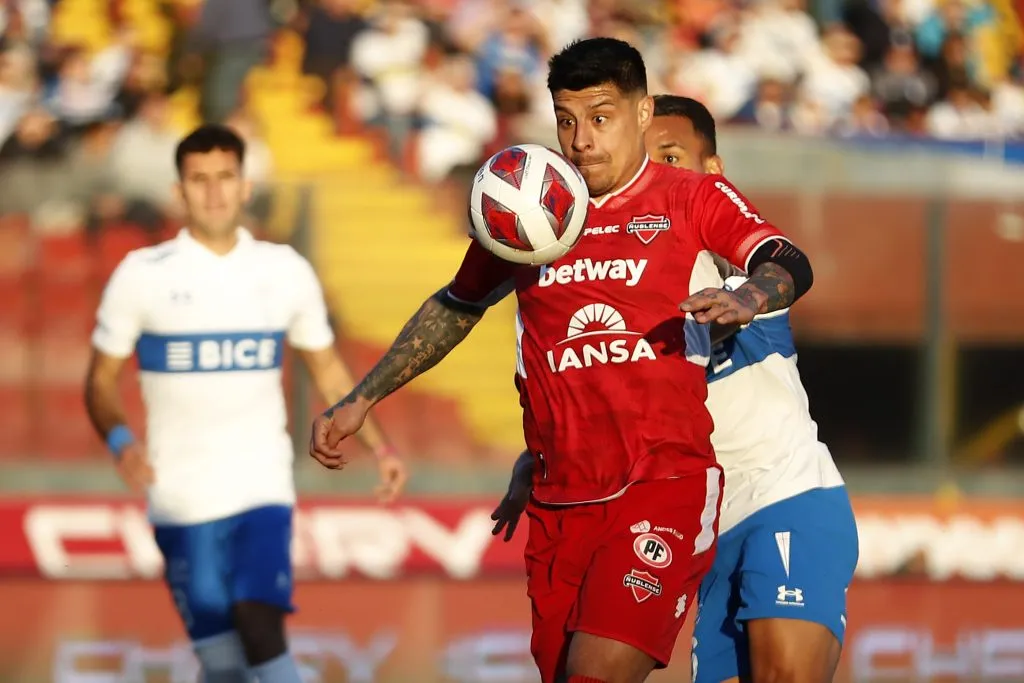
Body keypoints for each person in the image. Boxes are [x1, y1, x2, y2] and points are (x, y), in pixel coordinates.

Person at [310, 38, 815, 683]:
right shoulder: (532, 204)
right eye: (567, 120)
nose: (581, 141)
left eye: (600, 118)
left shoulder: (689, 197)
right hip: (560, 502)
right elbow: (457, 305)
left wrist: (749, 296)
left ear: (641, 113)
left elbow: (785, 259)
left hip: (661, 483)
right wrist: (363, 397)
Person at [492, 95, 858, 683]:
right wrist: (533, 458)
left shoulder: (742, 270)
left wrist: (746, 297)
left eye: (670, 157)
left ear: (713, 172)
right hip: (698, 518)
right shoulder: (627, 273)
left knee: (783, 674)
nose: (655, 173)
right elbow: (603, 379)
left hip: (783, 493)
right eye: (645, 159)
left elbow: (775, 275)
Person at [84, 124, 407, 683]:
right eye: (199, 180)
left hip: (262, 488)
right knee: (223, 665)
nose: (214, 192)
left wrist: (381, 447)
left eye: (225, 177)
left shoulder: (283, 270)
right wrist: (120, 441)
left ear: (246, 185)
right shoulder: (142, 275)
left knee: (259, 626)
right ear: (178, 191)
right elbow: (99, 381)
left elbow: (328, 369)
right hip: (180, 498)